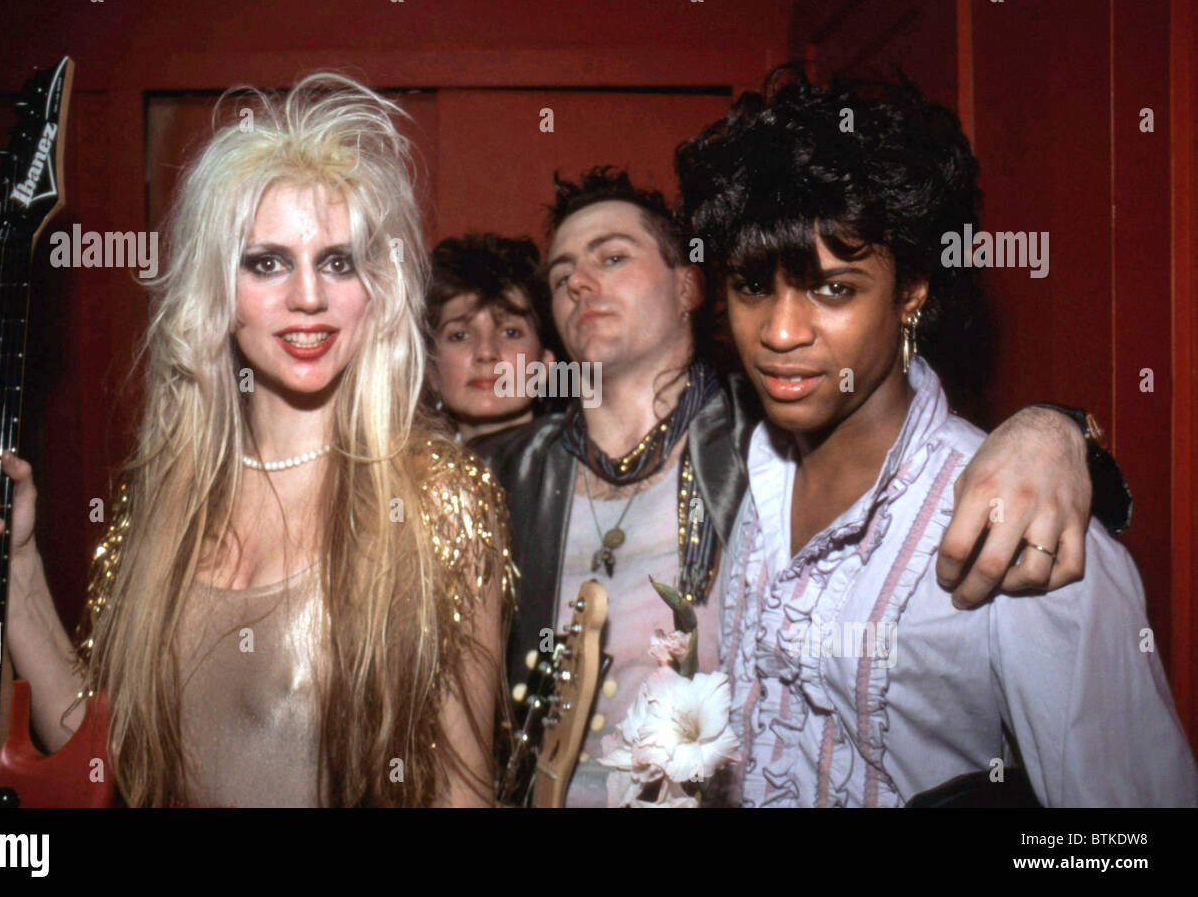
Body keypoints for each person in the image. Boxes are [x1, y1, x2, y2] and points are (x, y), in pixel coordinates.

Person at [0, 73, 514, 807]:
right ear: (216, 290)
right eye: (266, 261)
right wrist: (16, 570)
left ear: (376, 290)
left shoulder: (440, 505)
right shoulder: (167, 498)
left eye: (337, 261)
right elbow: (104, 761)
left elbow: (463, 796)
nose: (309, 296)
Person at [471, 166, 1131, 808]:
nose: (581, 283)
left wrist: (1058, 430)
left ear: (689, 288)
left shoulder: (760, 436)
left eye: (612, 258)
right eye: (561, 276)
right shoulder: (506, 471)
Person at [676, 68, 1197, 806]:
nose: (781, 333)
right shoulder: (757, 484)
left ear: (912, 289)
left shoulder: (1020, 529)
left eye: (834, 289)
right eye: (753, 286)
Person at [427, 233, 560, 442]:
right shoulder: (403, 472)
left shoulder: (581, 468)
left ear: (544, 365)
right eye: (460, 335)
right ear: (431, 371)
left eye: (510, 332)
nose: (486, 352)